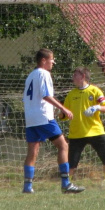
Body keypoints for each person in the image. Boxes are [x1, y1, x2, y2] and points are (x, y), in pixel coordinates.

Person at [22, 48, 85, 194]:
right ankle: (66, 184)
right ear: (43, 61)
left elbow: (27, 97)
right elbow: (46, 96)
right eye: (51, 60)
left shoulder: (30, 76)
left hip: (30, 118)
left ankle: (27, 187)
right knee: (63, 145)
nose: (53, 63)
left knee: (33, 151)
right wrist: (63, 108)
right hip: (43, 117)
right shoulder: (44, 74)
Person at [60, 67, 105, 192]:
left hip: (96, 131)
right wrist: (60, 113)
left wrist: (97, 107)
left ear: (83, 76)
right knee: (71, 165)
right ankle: (65, 187)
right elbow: (64, 115)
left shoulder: (95, 91)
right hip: (76, 134)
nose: (73, 77)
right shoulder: (71, 94)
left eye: (75, 75)